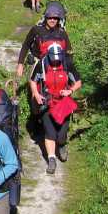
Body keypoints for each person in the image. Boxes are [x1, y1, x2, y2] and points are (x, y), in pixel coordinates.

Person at [29, 42, 81, 173]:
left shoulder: (67, 63)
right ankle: (51, 160)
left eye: (58, 59)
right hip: (47, 103)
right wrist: (36, 94)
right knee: (50, 132)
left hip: (64, 103)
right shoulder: (42, 64)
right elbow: (33, 81)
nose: (56, 61)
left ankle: (62, 144)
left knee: (61, 134)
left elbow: (78, 82)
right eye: (54, 59)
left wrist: (70, 91)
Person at [15, 1, 72, 79]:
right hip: (37, 61)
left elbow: (68, 50)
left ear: (58, 19)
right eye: (50, 17)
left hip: (56, 64)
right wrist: (20, 64)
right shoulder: (36, 30)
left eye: (55, 18)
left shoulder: (62, 33)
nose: (52, 20)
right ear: (46, 17)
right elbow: (26, 45)